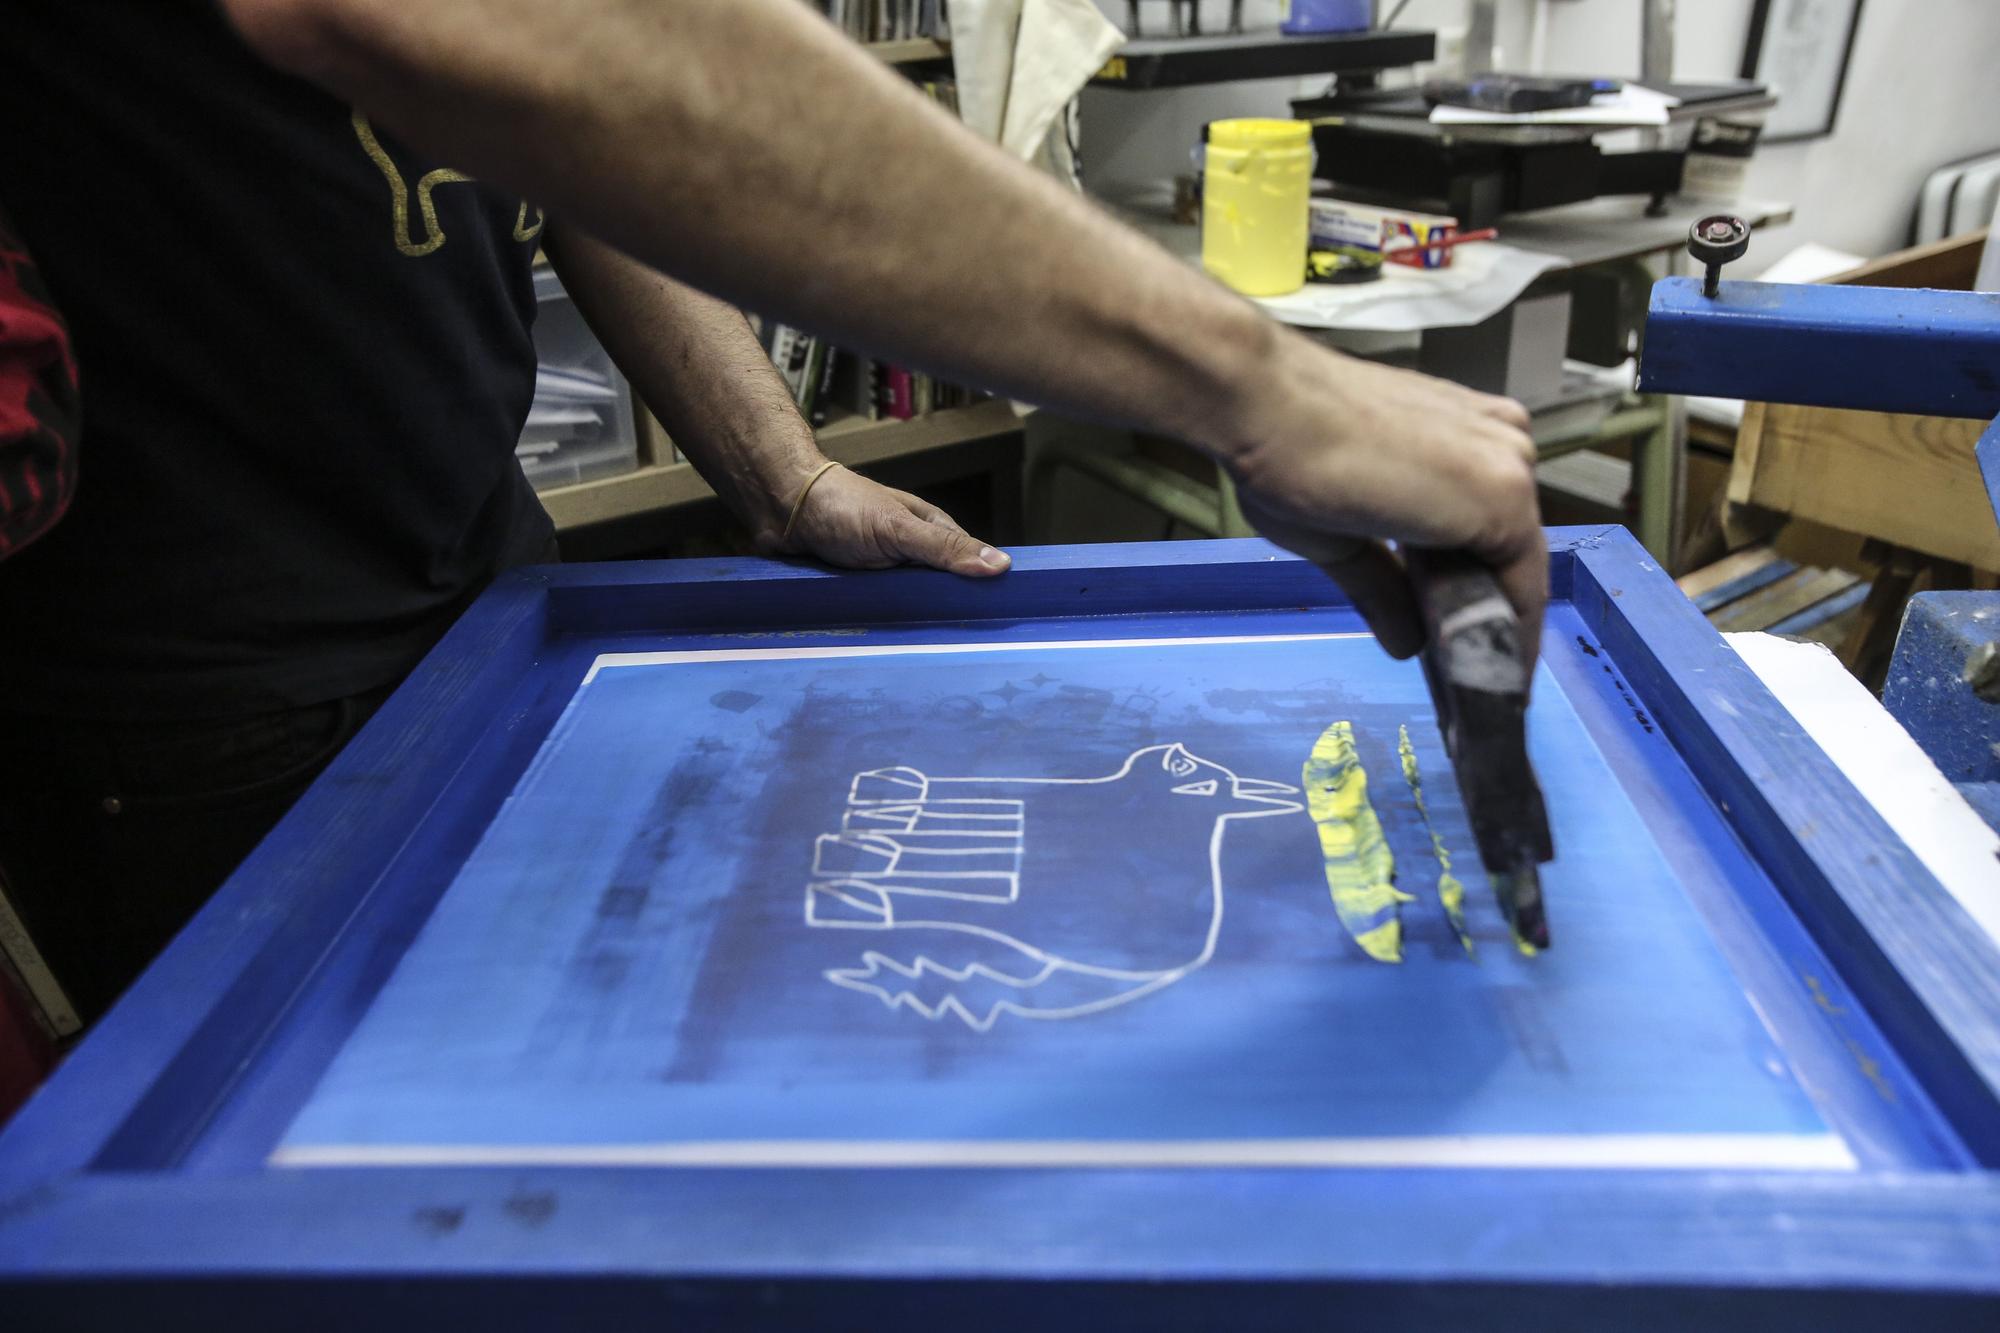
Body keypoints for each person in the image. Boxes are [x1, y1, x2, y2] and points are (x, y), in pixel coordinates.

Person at [0, 0, 1541, 1022]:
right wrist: (1269, 386)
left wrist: (781, 473)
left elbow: (583, 145)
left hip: (477, 577)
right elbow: (506, 29)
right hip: (203, 692)